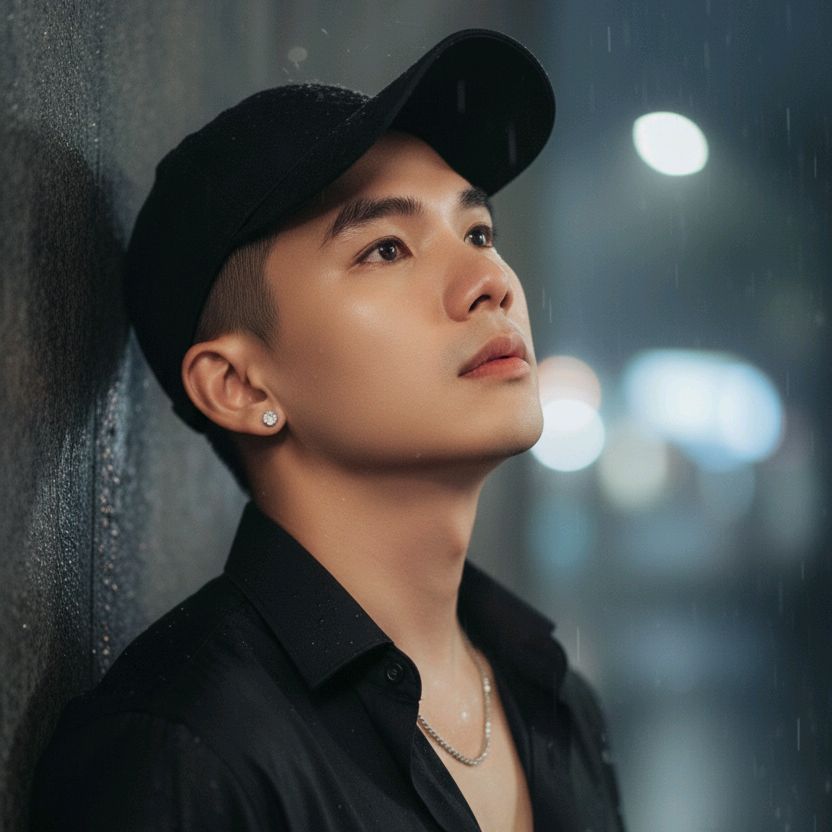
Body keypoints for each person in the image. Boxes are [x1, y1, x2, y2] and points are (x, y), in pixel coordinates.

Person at [30, 29, 627, 832]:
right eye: (387, 248)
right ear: (240, 385)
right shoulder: (183, 750)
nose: (489, 281)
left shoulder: (554, 700)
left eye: (479, 233)